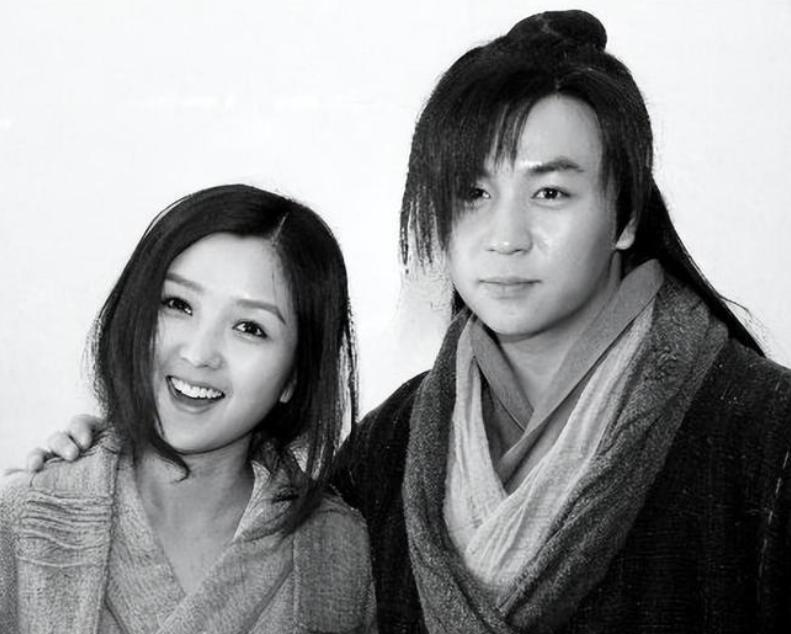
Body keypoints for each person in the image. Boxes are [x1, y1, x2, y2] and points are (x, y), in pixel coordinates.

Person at [27, 10, 791, 633]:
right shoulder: (390, 449)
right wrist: (113, 462)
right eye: (470, 194)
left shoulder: (764, 435)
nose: (504, 237)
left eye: (550, 193)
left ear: (624, 215)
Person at [1, 184, 376, 632]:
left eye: (250, 328)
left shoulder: (337, 549)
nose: (199, 354)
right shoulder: (25, 519)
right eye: (178, 305)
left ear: (294, 376)